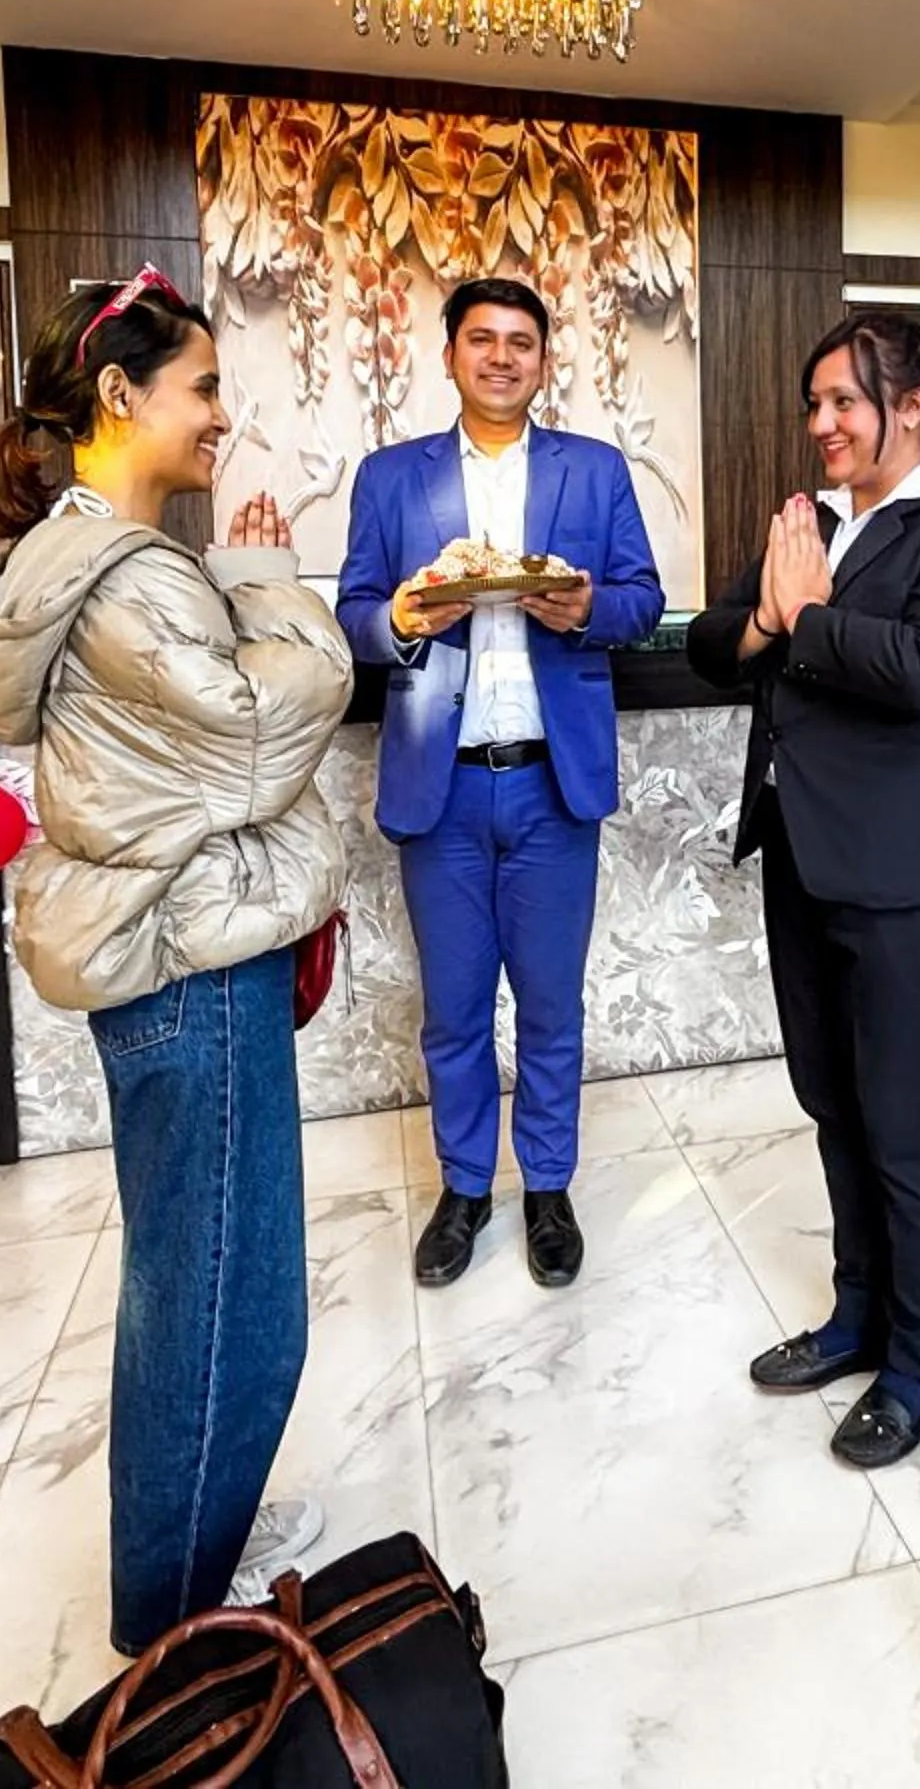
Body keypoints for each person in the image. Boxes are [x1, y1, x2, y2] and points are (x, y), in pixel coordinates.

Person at [0, 267, 355, 1652]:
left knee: (195, 1275)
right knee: (226, 1297)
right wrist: (272, 583)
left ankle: (195, 1538)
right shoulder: (131, 578)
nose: (222, 417)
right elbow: (257, 735)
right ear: (119, 394)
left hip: (167, 949)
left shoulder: (75, 561)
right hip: (193, 960)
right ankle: (176, 1618)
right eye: (204, 388)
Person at [686, 312, 920, 1468]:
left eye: (844, 401)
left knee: (904, 1124)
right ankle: (857, 1318)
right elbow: (712, 643)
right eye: (815, 403)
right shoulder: (812, 523)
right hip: (806, 855)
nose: (821, 423)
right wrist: (765, 618)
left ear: (913, 404)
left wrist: (807, 617)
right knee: (834, 1103)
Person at [335, 279, 665, 1291]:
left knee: (553, 1007)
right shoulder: (392, 478)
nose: (503, 357)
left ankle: (549, 1189)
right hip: (440, 787)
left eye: (522, 341)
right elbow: (353, 611)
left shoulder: (593, 471)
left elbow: (642, 600)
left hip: (551, 784)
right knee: (455, 1011)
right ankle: (466, 1187)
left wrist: (585, 608)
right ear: (450, 356)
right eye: (482, 339)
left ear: (544, 360)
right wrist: (401, 619)